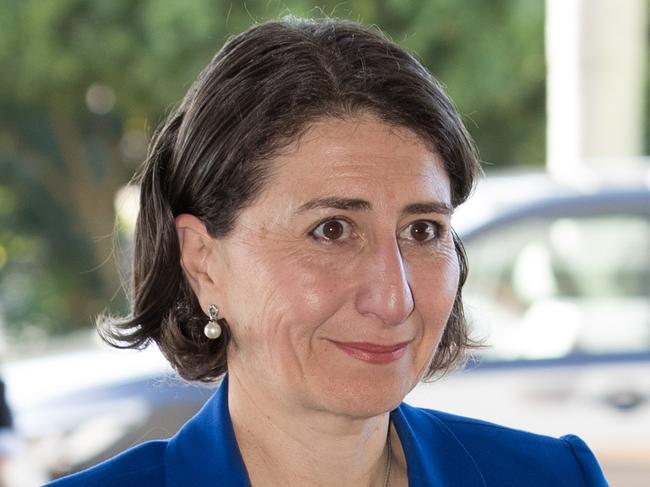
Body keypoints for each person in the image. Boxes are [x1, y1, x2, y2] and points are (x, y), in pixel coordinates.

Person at [46, 17, 609, 487]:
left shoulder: (554, 476)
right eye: (333, 230)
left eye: (422, 231)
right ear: (202, 262)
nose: (394, 299)